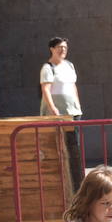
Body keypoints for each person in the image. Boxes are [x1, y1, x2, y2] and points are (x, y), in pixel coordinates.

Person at [39, 36, 84, 184]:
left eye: (65, 47)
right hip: (58, 114)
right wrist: (53, 109)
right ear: (52, 49)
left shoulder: (69, 65)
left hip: (73, 111)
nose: (63, 50)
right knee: (57, 144)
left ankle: (77, 178)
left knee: (74, 144)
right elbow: (45, 89)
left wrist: (77, 104)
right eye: (59, 47)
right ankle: (59, 178)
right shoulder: (48, 67)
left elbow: (73, 86)